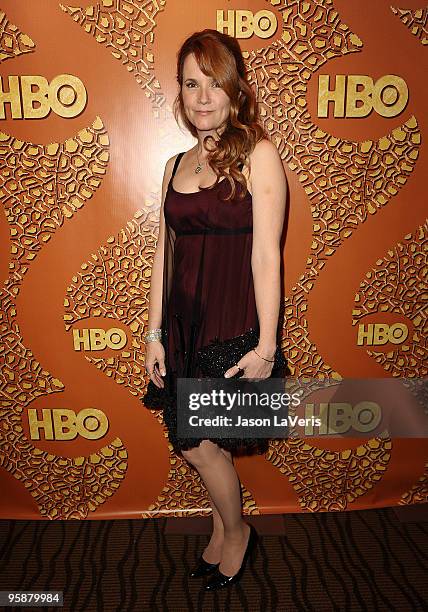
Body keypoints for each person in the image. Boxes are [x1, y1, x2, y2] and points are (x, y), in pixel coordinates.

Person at [142, 29, 287, 591]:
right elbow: (164, 252)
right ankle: (224, 528)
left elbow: (267, 257)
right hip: (181, 326)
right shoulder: (174, 164)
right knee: (198, 444)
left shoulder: (258, 155)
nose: (202, 97)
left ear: (236, 89)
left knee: (200, 444)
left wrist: (266, 347)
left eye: (214, 83)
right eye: (190, 83)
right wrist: (154, 333)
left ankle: (237, 532)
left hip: (230, 327)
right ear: (179, 93)